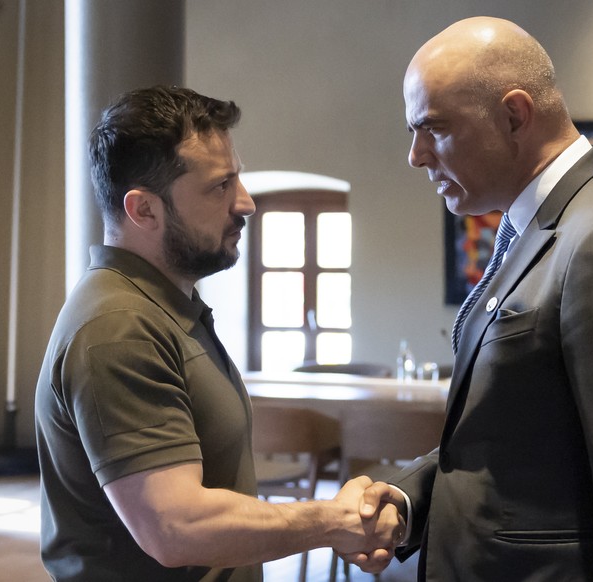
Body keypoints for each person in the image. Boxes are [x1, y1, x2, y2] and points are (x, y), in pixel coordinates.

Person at [353, 16, 593, 581]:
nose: (416, 156)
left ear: (515, 115)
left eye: (434, 128)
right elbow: (515, 440)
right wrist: (408, 499)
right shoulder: (544, 227)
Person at [34, 85, 402, 581]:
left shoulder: (162, 307)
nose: (246, 203)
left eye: (238, 179)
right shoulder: (119, 328)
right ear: (144, 210)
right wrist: (332, 520)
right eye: (219, 187)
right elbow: (176, 526)